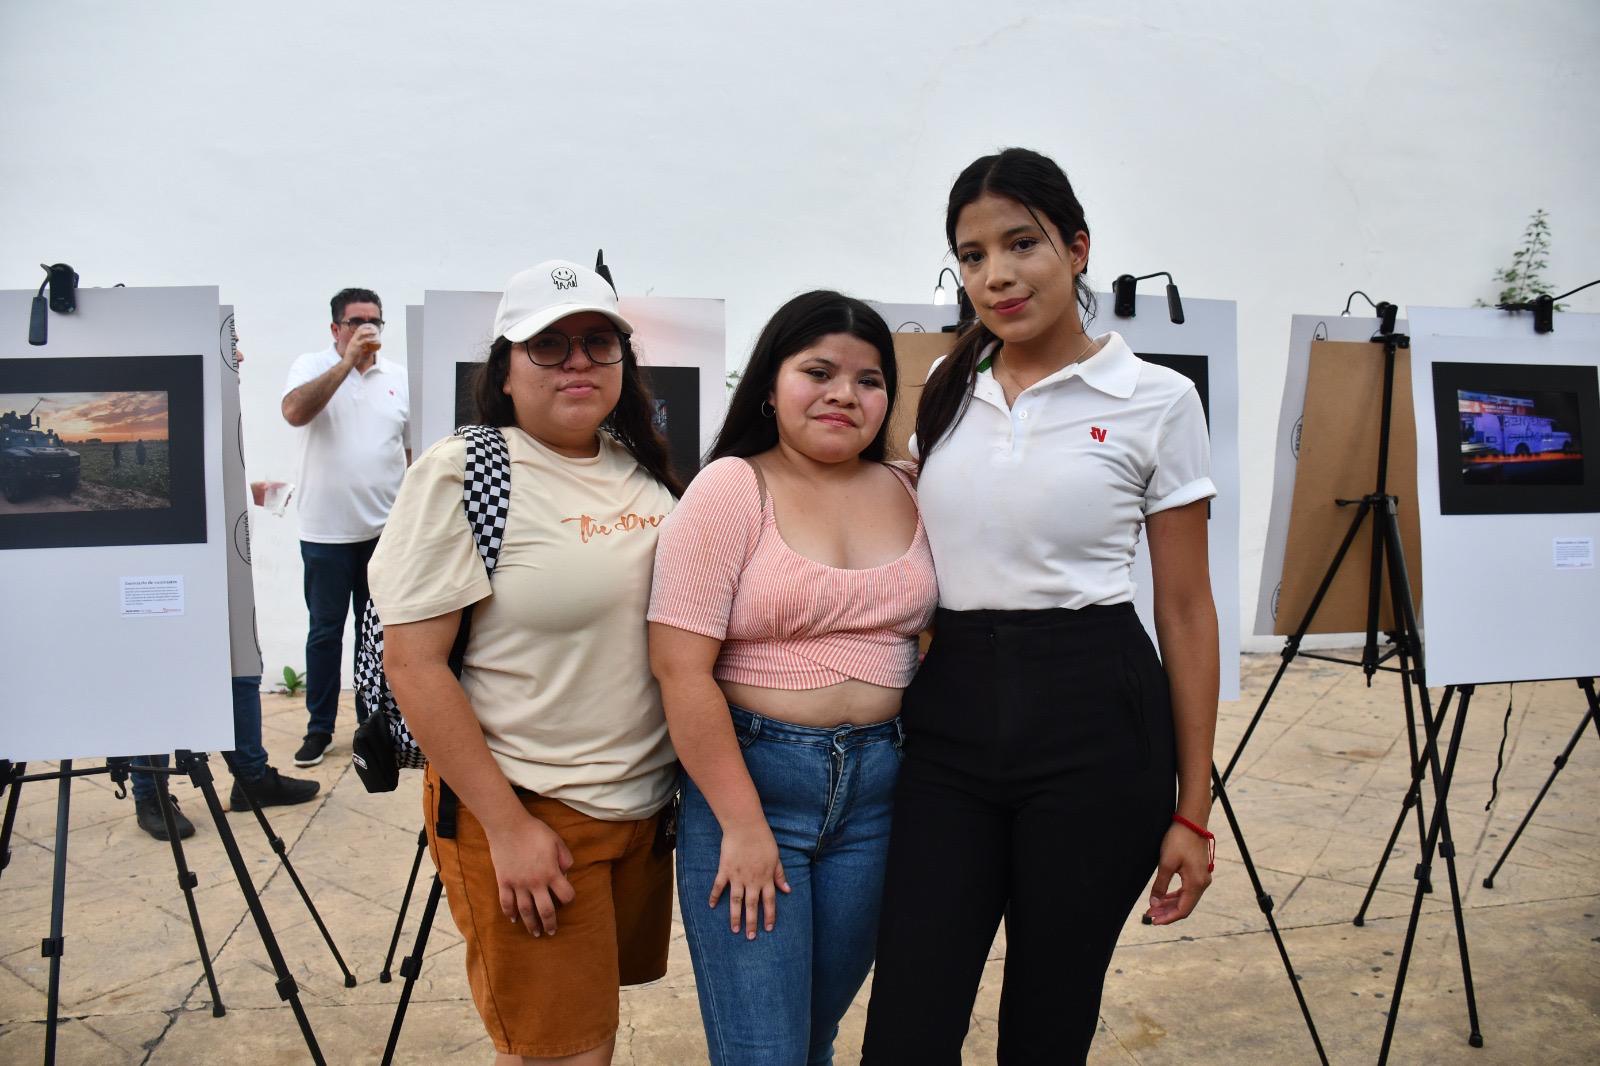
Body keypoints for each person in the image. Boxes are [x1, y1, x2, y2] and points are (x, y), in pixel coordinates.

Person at [860, 148, 1220, 1065]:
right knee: (909, 1011)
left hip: (1096, 721)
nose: (997, 275)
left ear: (1078, 247)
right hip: (950, 721)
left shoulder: (1158, 400)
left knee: (1049, 1021)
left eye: (1021, 243)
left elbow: (1184, 608)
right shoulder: (945, 393)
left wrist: (1193, 806)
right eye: (972, 256)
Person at [371, 260, 682, 1066]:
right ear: (503, 372)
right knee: (561, 1052)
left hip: (640, 813)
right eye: (547, 345)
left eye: (596, 342)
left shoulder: (640, 469)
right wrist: (507, 828)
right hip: (530, 810)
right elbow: (412, 663)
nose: (576, 361)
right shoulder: (464, 471)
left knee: (586, 1032)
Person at [648, 291, 938, 1066]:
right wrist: (742, 825)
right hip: (753, 790)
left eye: (869, 379)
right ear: (770, 386)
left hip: (879, 797)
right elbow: (679, 668)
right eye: (819, 371)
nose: (846, 393)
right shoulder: (732, 489)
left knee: (813, 1034)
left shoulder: (912, 488)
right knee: (764, 1051)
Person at [281, 287, 410, 767]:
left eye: (374, 321)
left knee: (375, 635)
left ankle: (369, 725)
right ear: (335, 329)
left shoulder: (397, 377)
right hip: (325, 533)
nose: (367, 330)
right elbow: (295, 413)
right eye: (356, 322)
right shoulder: (311, 366)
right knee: (324, 633)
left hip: (384, 533)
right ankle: (318, 729)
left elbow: (411, 452)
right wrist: (346, 363)